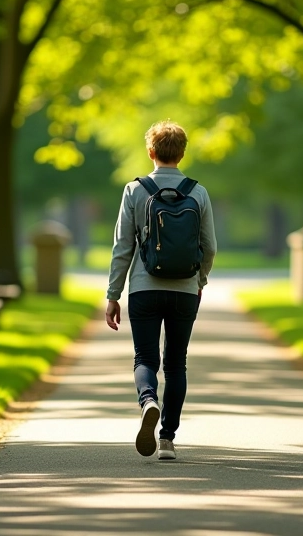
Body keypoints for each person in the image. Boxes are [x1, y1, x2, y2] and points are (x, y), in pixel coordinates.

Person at [105, 120, 217, 460]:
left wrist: (113, 294)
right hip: (184, 289)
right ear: (182, 153)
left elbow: (122, 247)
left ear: (150, 152)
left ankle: (148, 400)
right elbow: (209, 246)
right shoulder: (198, 192)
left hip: (144, 288)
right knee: (177, 363)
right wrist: (199, 281)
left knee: (145, 358)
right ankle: (167, 439)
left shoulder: (134, 190)